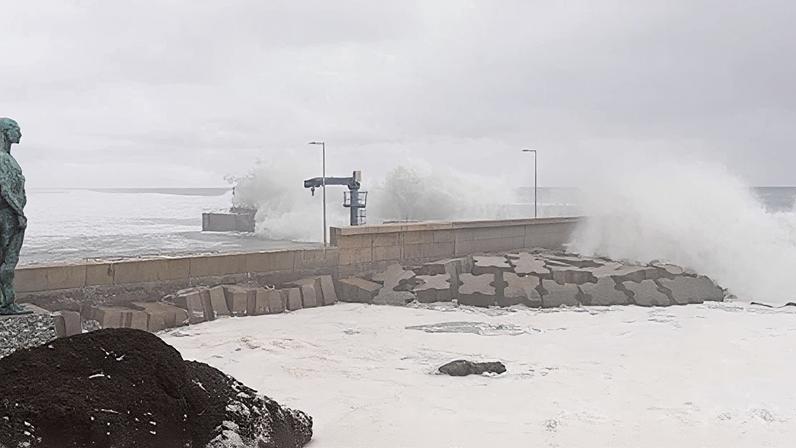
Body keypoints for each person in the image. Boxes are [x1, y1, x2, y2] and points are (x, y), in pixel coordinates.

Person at [0, 117, 30, 315]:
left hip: (9, 214)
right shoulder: (2, 158)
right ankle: (7, 303)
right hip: (8, 216)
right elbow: (5, 189)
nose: (20, 133)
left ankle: (6, 302)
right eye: (16, 129)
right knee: (9, 260)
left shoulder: (9, 158)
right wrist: (20, 213)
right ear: (5, 132)